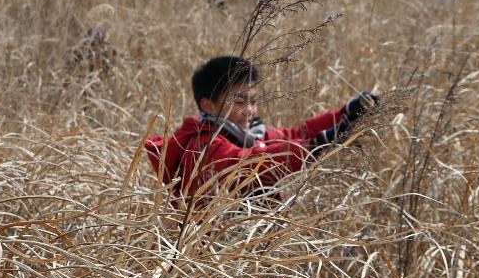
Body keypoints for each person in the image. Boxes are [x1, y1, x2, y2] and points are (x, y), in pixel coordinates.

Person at [147, 55, 378, 202]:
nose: (250, 110)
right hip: (212, 256)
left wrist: (345, 113)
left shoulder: (248, 134)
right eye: (239, 101)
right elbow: (248, 164)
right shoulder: (202, 146)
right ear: (208, 105)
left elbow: (297, 135)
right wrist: (315, 145)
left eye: (254, 100)